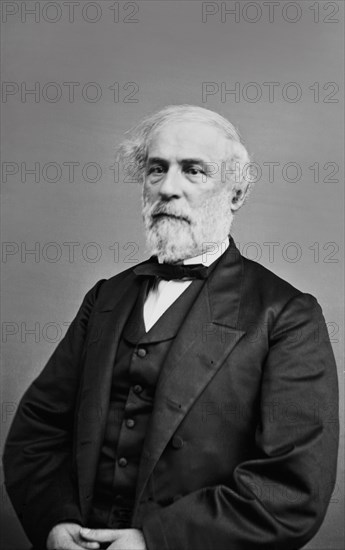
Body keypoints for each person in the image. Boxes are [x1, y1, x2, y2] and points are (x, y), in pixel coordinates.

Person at [3, 105, 339, 550]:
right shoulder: (106, 298)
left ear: (235, 193)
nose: (167, 188)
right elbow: (38, 431)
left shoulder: (287, 315)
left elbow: (293, 488)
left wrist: (154, 542)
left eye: (194, 171)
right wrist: (54, 524)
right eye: (156, 169)